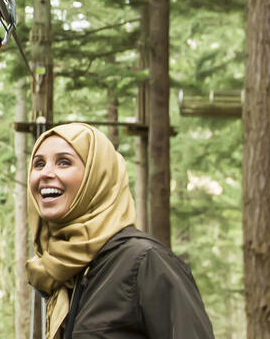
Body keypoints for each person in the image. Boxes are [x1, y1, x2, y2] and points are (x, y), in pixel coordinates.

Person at [27, 122, 213, 339]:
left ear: (97, 177)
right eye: (38, 164)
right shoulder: (60, 271)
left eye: (64, 162)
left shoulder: (144, 261)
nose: (46, 173)